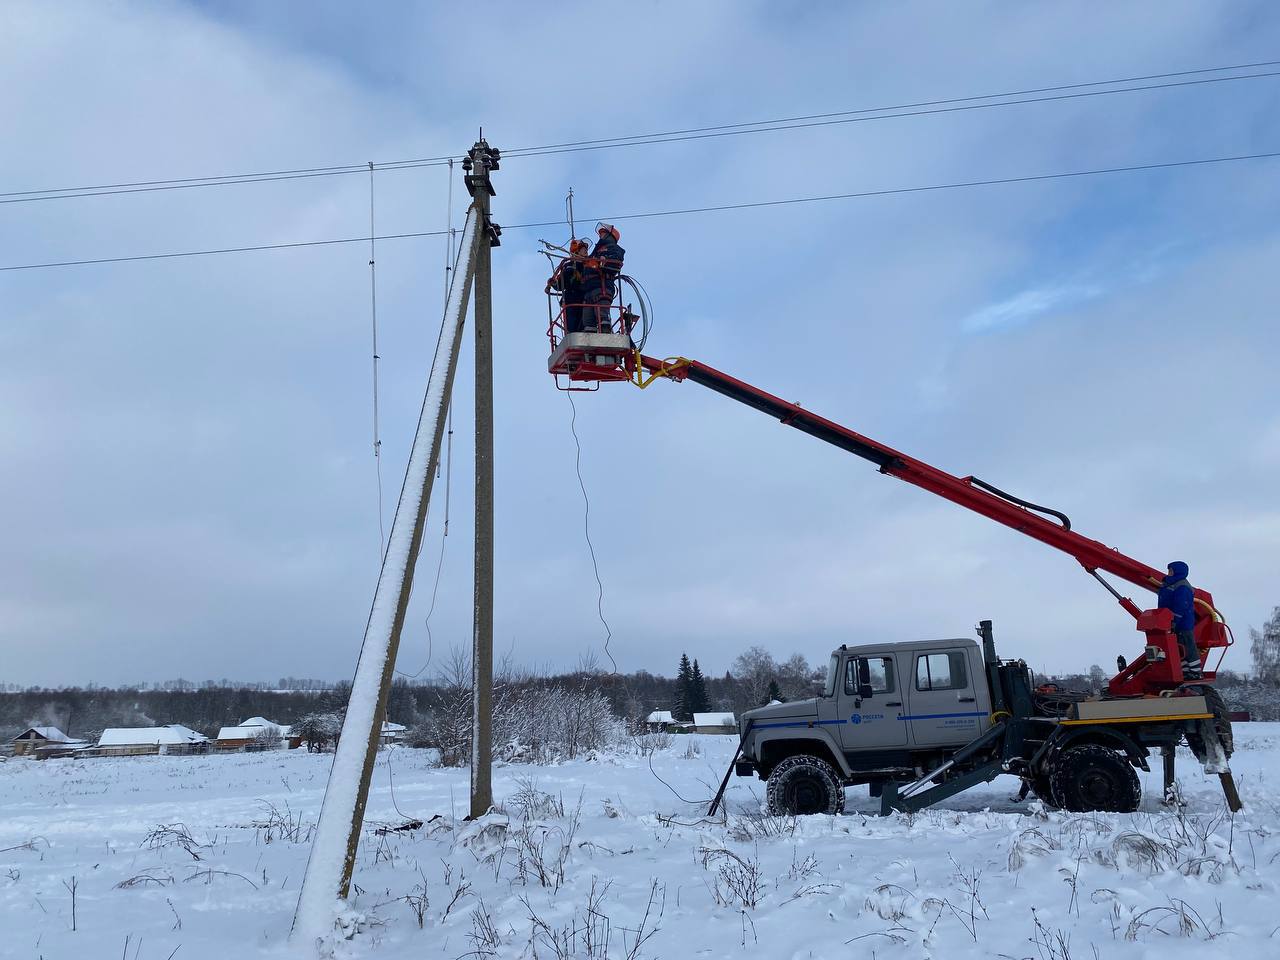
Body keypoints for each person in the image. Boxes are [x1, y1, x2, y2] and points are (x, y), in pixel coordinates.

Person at [1157, 560, 1201, 680]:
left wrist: (1174, 620)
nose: (1169, 572)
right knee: (1179, 648)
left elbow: (1181, 605)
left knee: (1188, 646)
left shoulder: (1182, 586)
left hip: (1183, 623)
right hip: (1170, 621)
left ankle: (1195, 672)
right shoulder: (1168, 584)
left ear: (1178, 571)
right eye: (1169, 570)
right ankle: (1185, 671)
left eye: (1171, 570)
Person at [579, 222, 624, 333]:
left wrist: (601, 262)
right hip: (589, 289)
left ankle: (606, 331)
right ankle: (589, 339)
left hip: (602, 287)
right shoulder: (596, 251)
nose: (600, 235)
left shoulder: (614, 248)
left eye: (603, 233)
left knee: (603, 317)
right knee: (588, 320)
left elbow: (616, 262)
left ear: (610, 236)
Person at [546, 238, 589, 334]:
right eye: (583, 249)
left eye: (586, 249)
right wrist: (553, 283)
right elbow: (561, 285)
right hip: (571, 300)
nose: (586, 251)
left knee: (586, 324)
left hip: (586, 300)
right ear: (576, 251)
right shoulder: (569, 267)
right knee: (572, 328)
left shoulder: (590, 266)